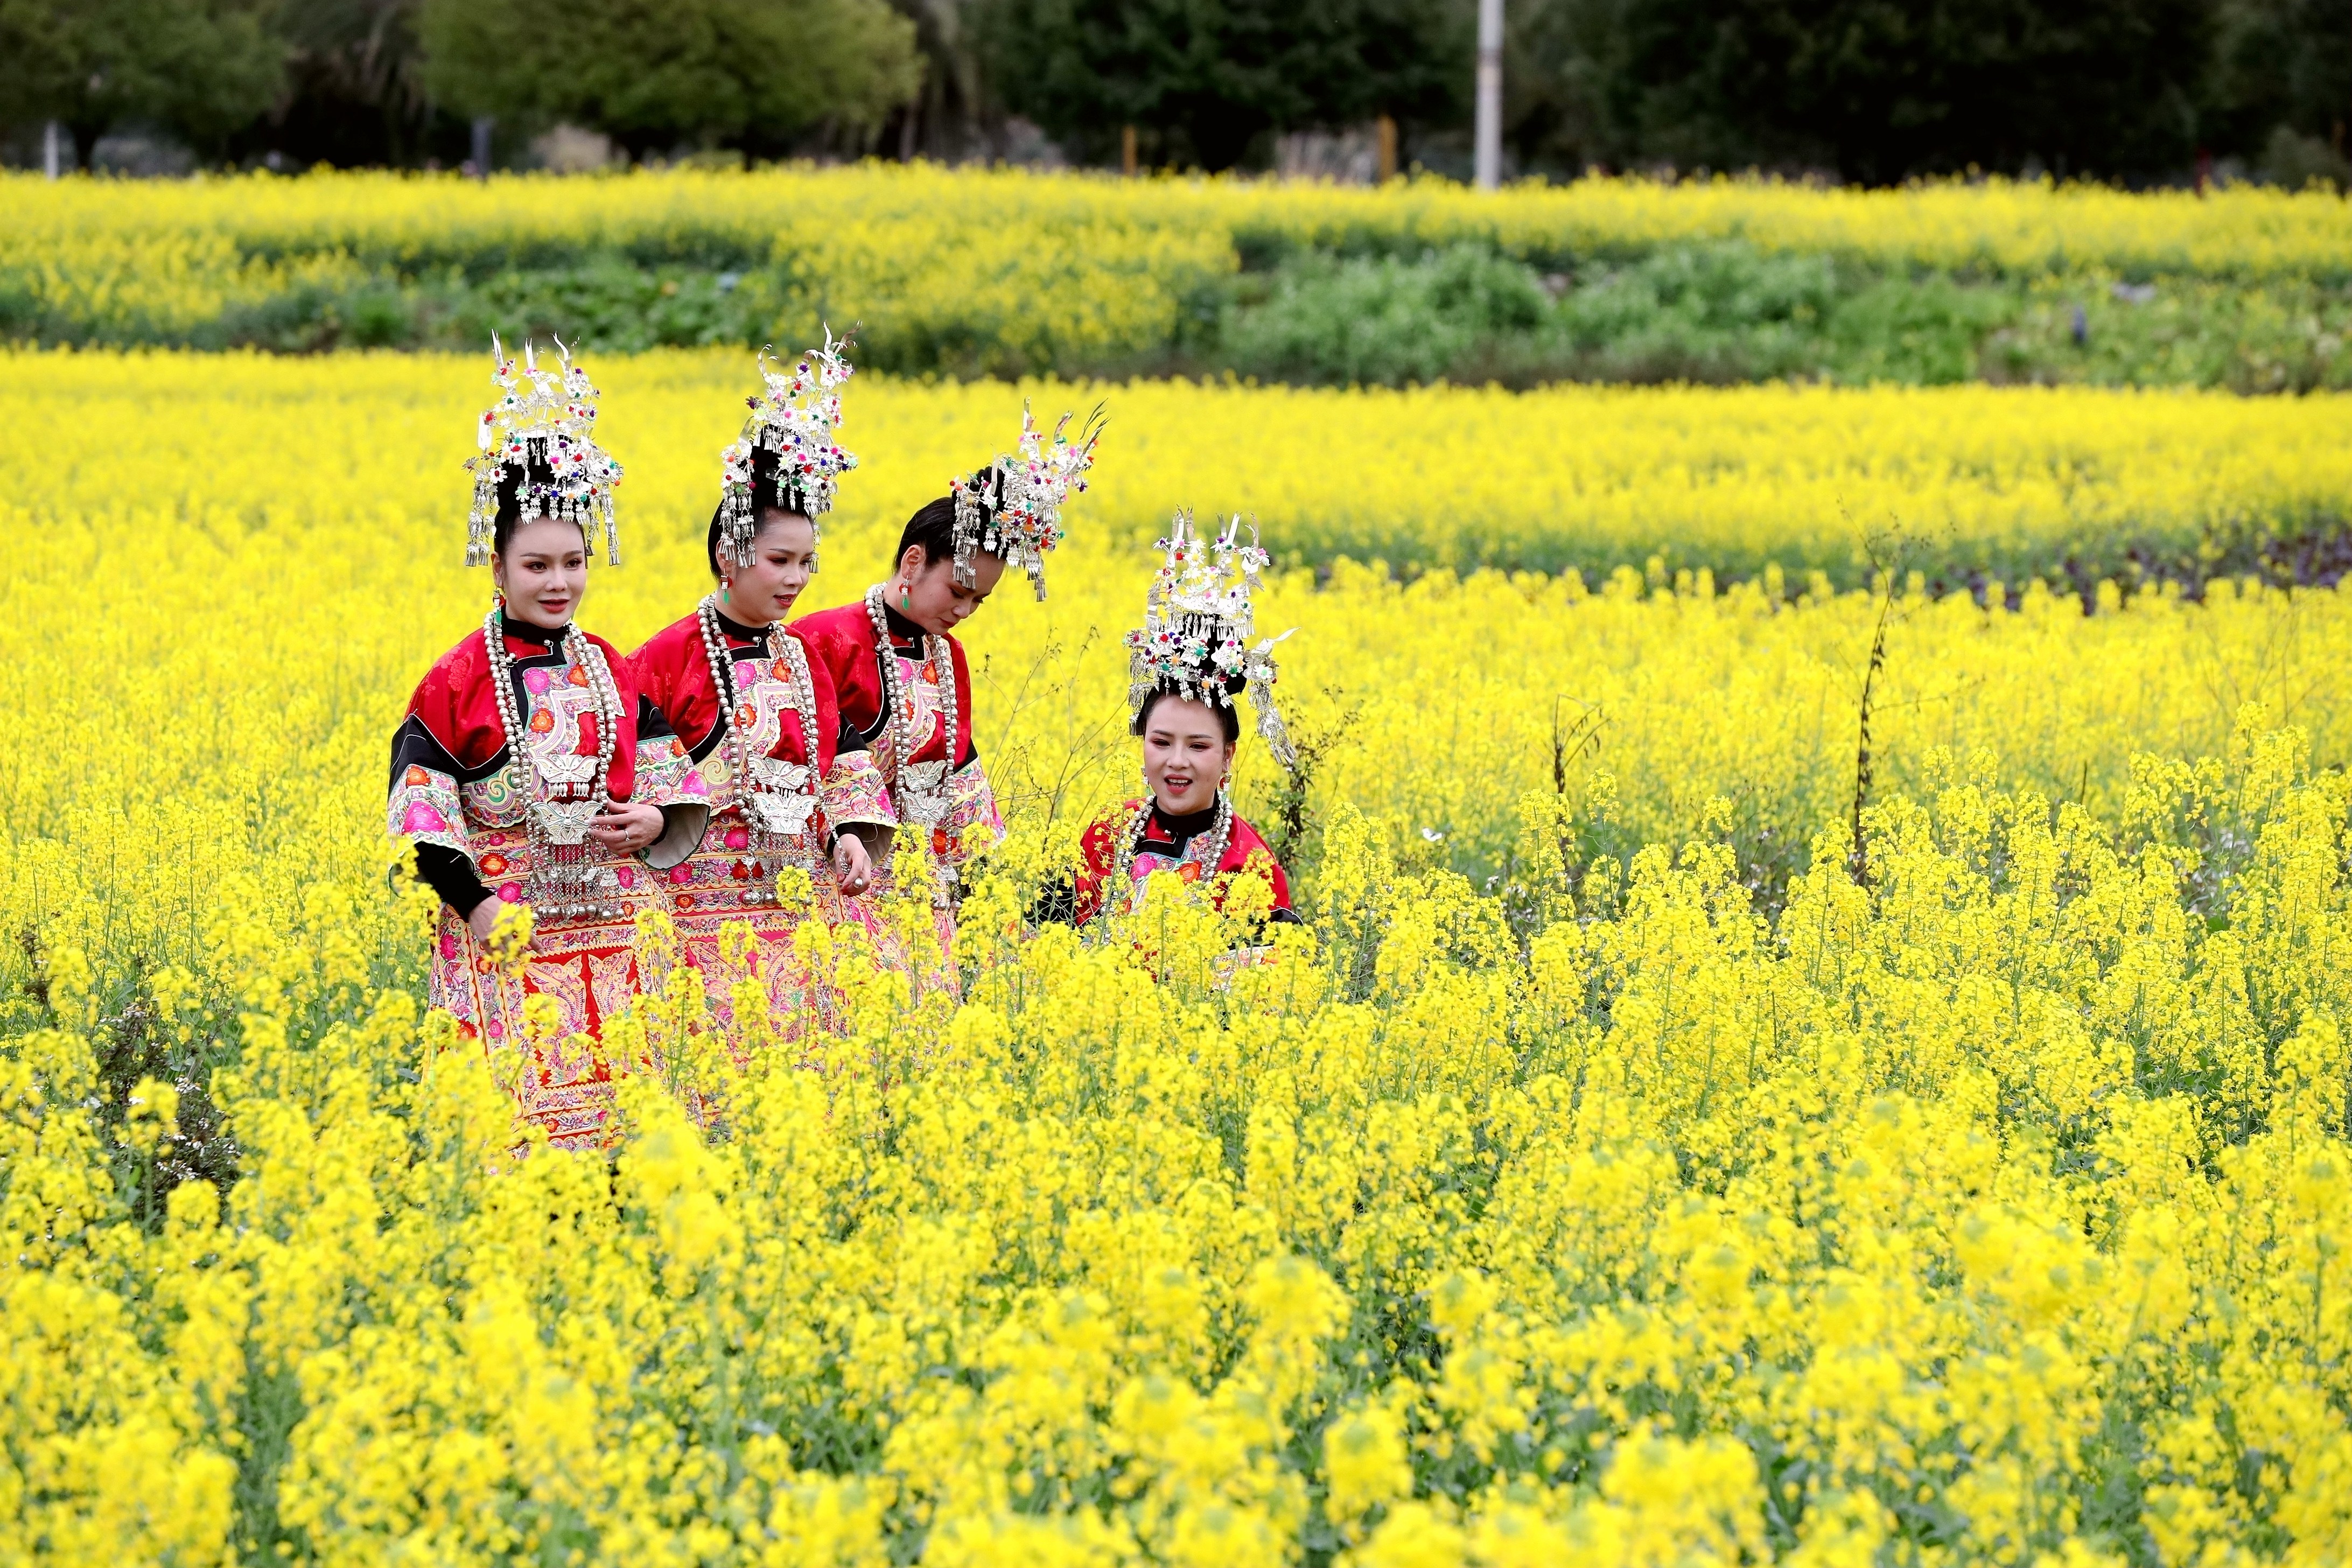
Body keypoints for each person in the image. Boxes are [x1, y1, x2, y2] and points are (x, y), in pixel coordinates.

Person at [387, 340, 704, 1149]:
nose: (558, 582)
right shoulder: (456, 679)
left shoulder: (610, 666)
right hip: (506, 930)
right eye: (536, 565)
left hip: (615, 923)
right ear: (497, 567)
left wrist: (655, 822)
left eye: (573, 562)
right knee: (515, 1145)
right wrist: (478, 906)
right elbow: (423, 819)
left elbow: (671, 783)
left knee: (630, 1137)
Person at [793, 404, 1103, 974]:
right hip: (836, 883)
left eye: (979, 600)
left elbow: (960, 777)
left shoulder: (948, 656)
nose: (964, 611)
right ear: (914, 561)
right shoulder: (824, 639)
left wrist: (996, 896)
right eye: (958, 591)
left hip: (922, 893)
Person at [627, 340, 873, 1033]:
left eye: (807, 561)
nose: (796, 579)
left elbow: (838, 762)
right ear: (728, 555)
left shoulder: (803, 656)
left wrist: (851, 834)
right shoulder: (666, 656)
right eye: (779, 559)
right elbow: (629, 773)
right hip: (699, 921)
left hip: (801, 906)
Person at [1069, 512, 1302, 929]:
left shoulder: (1248, 863)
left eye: (1198, 746)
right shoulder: (1110, 832)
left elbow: (1269, 968)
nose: (1176, 761)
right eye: (1161, 742)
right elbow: (1051, 935)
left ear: (1228, 755)